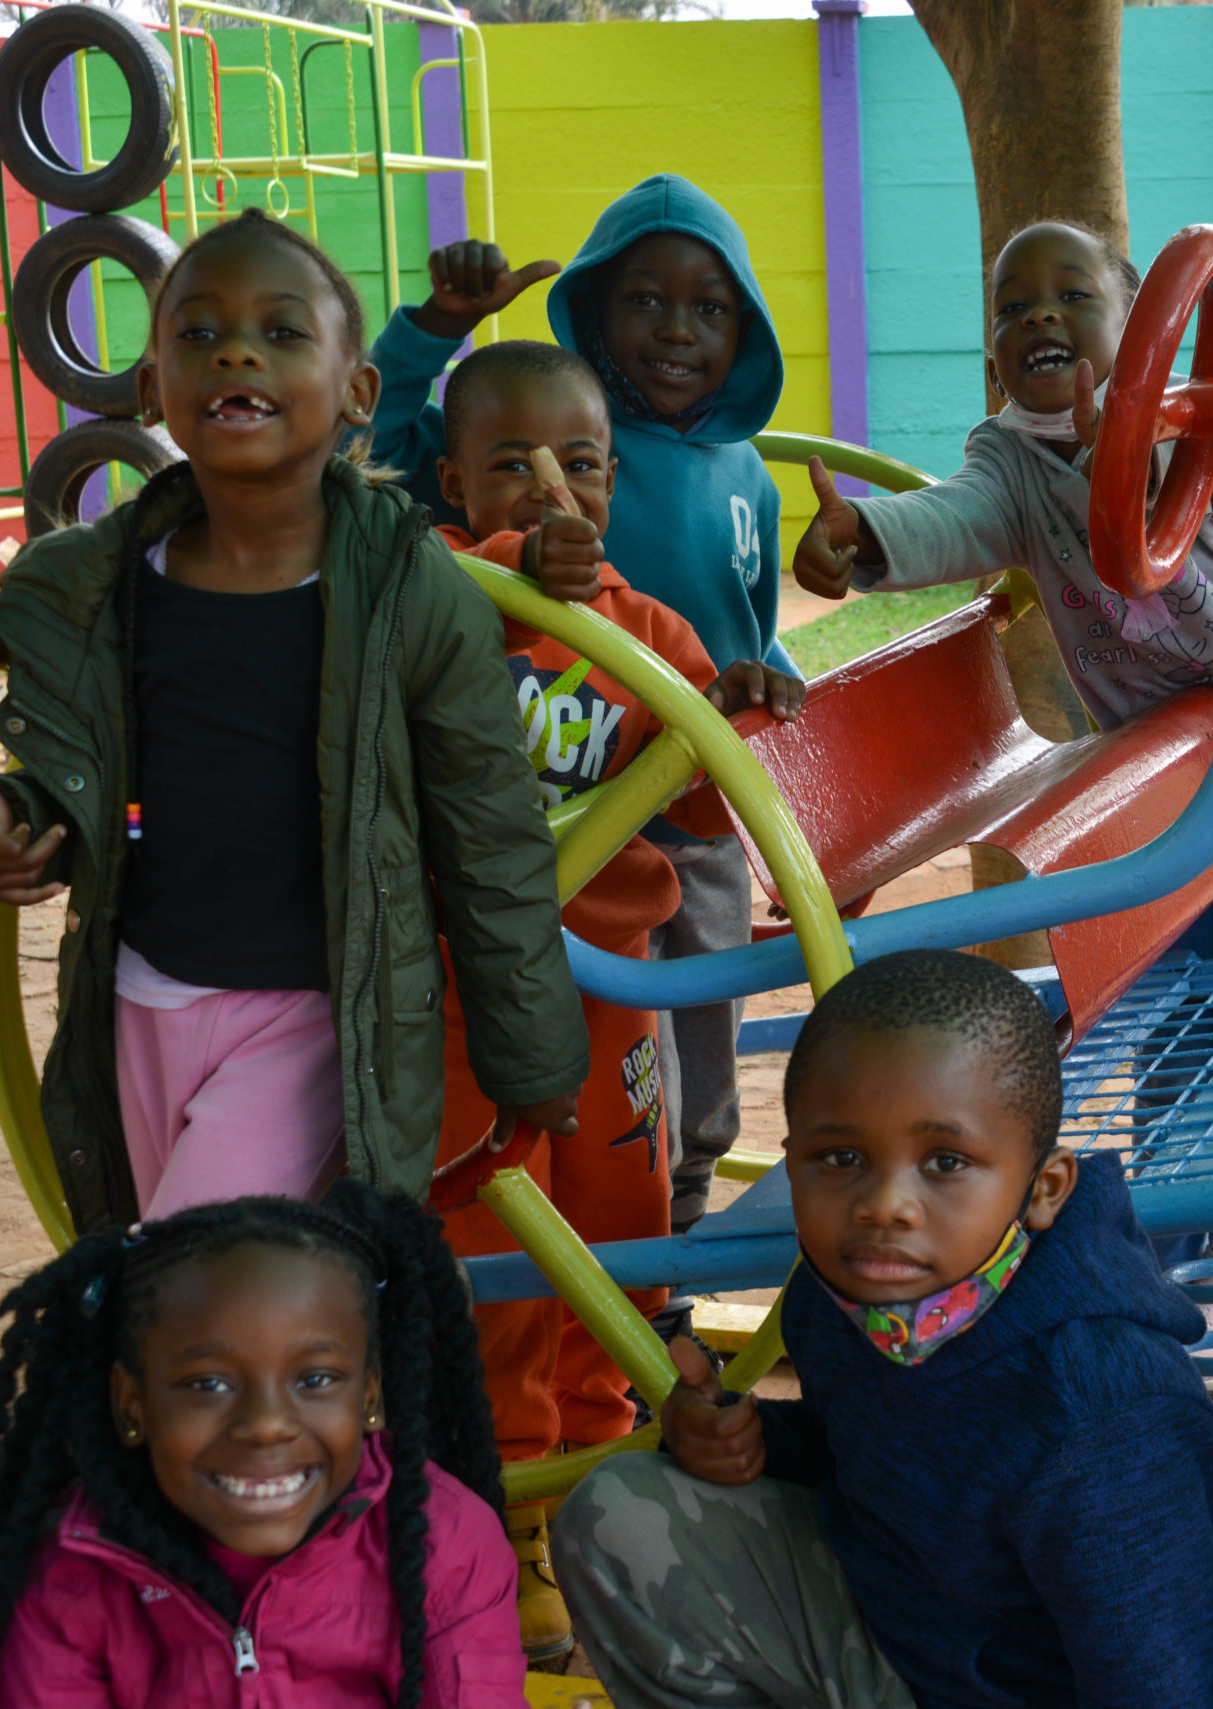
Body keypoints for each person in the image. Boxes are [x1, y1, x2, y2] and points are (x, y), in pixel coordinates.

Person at [0, 209, 586, 1233]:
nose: (236, 351)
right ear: (152, 388)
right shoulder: (95, 589)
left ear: (357, 392)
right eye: (199, 332)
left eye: (282, 331)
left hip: (315, 1023)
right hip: (136, 1003)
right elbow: (89, 793)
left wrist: (531, 1055)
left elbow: (491, 839)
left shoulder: (413, 594)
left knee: (201, 1266)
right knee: (195, 1271)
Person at [789, 219, 1213, 1312]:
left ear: (1137, 317)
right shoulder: (1009, 459)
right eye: (1012, 306)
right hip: (1167, 780)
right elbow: (956, 515)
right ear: (992, 348)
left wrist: (1130, 449)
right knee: (1179, 996)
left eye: (1071, 295)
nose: (1039, 314)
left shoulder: (1181, 418)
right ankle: (1176, 1230)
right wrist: (865, 534)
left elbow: (1199, 492)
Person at [552, 949, 1213, 1708]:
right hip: (902, 1633)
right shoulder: (850, 1296)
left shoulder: (1103, 1414)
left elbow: (1164, 1691)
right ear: (792, 1162)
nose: (884, 1205)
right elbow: (874, 1454)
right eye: (841, 1157)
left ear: (1043, 1189)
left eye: (945, 1161)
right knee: (618, 1514)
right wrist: (748, 1439)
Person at [425, 335, 805, 1663]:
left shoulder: (648, 633)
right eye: (510, 467)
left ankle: (601, 1463)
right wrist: (509, 574)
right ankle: (512, 1496)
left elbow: (699, 807)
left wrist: (732, 708)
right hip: (469, 999)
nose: (551, 492)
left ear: (613, 479)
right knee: (496, 1242)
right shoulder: (438, 594)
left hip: (611, 993)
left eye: (579, 464)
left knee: (617, 1224)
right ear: (453, 484)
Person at [368, 176, 794, 1283]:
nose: (677, 330)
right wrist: (435, 330)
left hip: (660, 823)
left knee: (671, 1076)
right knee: (507, 1128)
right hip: (495, 902)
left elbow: (741, 642)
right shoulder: (459, 542)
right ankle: (506, 1338)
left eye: (710, 308)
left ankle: (658, 1283)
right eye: (644, 300)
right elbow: (378, 465)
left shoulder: (741, 478)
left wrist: (759, 700)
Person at [0, 1182, 525, 1707]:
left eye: (315, 1379)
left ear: (370, 1397)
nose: (266, 1424)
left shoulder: (446, 1546)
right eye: (208, 1385)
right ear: (132, 1404)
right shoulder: (72, 1572)